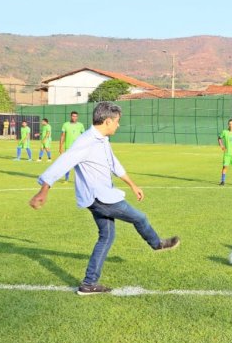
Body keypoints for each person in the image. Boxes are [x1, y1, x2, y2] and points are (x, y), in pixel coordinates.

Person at [29, 102, 180, 295]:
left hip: (100, 196)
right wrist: (44, 189)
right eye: (117, 122)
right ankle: (157, 244)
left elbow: (113, 163)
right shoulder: (86, 142)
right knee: (139, 218)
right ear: (107, 121)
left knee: (106, 236)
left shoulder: (102, 140)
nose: (118, 125)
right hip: (100, 198)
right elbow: (62, 162)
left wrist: (132, 184)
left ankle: (88, 284)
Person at [60, 111, 85, 182]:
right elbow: (62, 136)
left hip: (78, 148)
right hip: (68, 148)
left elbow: (84, 136)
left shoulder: (81, 125)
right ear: (70, 116)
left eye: (76, 116)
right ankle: (66, 179)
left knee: (79, 165)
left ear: (77, 117)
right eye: (73, 116)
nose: (74, 117)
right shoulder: (65, 125)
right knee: (67, 164)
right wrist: (60, 147)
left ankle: (81, 180)